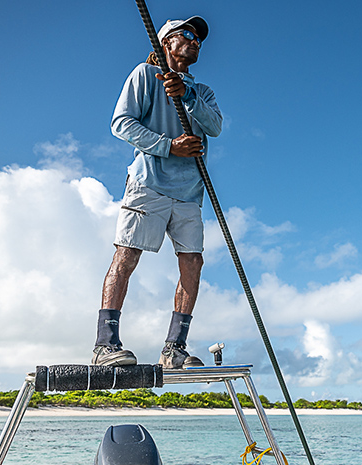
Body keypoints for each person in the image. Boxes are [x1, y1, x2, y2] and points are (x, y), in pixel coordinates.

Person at [92, 16, 222, 368]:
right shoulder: (145, 76)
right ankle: (105, 344)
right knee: (127, 255)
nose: (195, 40)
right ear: (166, 42)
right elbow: (121, 123)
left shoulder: (202, 91)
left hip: (189, 193)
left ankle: (174, 349)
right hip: (148, 183)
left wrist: (189, 95)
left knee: (192, 263)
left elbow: (215, 126)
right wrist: (168, 146)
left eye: (198, 38)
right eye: (187, 34)